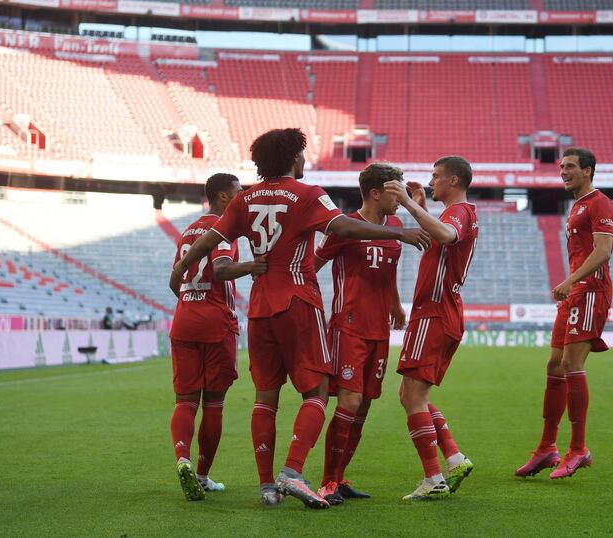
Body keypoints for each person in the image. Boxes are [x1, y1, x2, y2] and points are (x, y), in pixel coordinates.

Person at [170, 128, 429, 509]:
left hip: (259, 308)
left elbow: (210, 239)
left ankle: (265, 487)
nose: (305, 161)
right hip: (298, 301)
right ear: (293, 158)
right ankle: (291, 472)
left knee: (266, 398)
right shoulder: (308, 194)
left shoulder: (245, 199)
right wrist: (398, 232)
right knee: (317, 391)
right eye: (303, 155)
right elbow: (340, 226)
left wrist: (181, 270)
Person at [514, 147, 613, 480]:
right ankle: (547, 448)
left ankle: (578, 449)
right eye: (562, 166)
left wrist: (571, 280)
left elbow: (603, 252)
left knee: (572, 365)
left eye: (571, 166)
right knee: (554, 366)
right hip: (575, 292)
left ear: (588, 170)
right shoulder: (577, 206)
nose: (564, 171)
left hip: (590, 291)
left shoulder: (600, 203)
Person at [168, 173, 268, 502]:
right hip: (215, 324)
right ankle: (202, 475)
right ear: (224, 198)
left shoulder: (187, 232)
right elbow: (222, 269)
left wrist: (189, 302)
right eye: (238, 193)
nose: (242, 197)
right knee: (213, 404)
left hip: (184, 322)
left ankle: (182, 458)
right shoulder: (221, 230)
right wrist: (254, 266)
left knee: (185, 401)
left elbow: (175, 280)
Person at [384, 156, 479, 501]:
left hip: (434, 314)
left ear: (454, 181)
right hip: (441, 313)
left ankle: (433, 479)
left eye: (436, 176)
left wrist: (409, 204)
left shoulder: (460, 213)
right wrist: (422, 208)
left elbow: (448, 235)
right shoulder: (457, 213)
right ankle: (453, 458)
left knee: (413, 397)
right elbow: (440, 236)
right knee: (411, 396)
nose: (431, 181)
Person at [313, 163, 407, 505]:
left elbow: (389, 272)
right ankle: (326, 483)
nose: (400, 198)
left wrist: (395, 304)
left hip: (379, 329)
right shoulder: (344, 227)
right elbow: (311, 267)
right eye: (394, 191)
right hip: (348, 327)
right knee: (349, 401)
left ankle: (339, 476)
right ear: (375, 193)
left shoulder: (395, 225)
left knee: (365, 404)